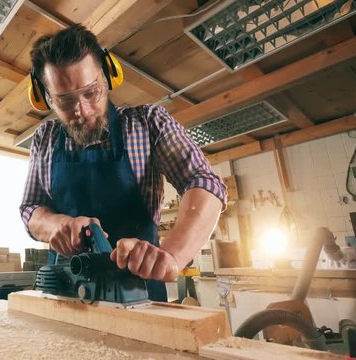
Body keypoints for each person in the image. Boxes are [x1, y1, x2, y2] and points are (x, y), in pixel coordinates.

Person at [19, 24, 227, 302]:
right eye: (65, 101)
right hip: (65, 295)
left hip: (137, 294)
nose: (82, 111)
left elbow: (204, 181)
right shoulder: (44, 138)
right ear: (46, 99)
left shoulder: (149, 123)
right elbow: (30, 208)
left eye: (91, 93)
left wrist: (171, 255)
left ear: (107, 77)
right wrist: (56, 224)